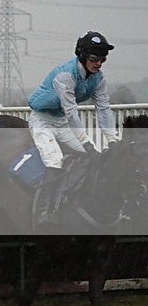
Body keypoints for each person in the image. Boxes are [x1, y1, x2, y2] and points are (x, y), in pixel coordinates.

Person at [28, 31, 118, 225]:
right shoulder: (65, 76)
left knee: (91, 160)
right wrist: (86, 143)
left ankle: (75, 200)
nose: (99, 63)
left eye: (102, 59)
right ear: (83, 56)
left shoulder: (99, 78)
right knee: (55, 161)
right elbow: (72, 113)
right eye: (94, 58)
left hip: (61, 122)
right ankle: (44, 212)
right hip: (42, 121)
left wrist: (113, 141)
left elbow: (104, 109)